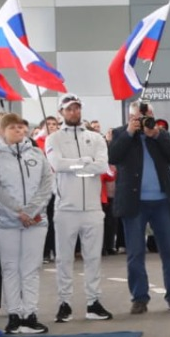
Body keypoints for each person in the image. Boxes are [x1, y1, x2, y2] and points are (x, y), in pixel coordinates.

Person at [110, 102, 170, 313]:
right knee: (135, 253)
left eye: (148, 115)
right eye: (140, 116)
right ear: (130, 117)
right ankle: (139, 298)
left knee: (169, 252)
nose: (145, 119)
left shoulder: (160, 133)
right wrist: (129, 133)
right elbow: (113, 157)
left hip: (162, 202)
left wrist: (157, 135)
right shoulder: (120, 133)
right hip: (134, 202)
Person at [0, 112, 54, 335]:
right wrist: (17, 211)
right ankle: (14, 314)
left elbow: (47, 184)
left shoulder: (36, 153)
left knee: (31, 268)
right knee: (10, 268)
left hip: (36, 221)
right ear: (3, 130)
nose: (18, 131)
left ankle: (30, 314)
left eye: (21, 127)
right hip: (5, 222)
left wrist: (31, 210)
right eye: (13, 127)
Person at [47, 95, 112, 322]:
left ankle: (93, 302)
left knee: (93, 258)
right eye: (69, 109)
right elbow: (57, 165)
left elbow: (102, 166)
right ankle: (64, 303)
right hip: (65, 208)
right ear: (61, 112)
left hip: (93, 208)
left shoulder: (95, 138)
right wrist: (84, 162)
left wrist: (75, 165)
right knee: (64, 259)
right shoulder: (53, 138)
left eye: (76, 108)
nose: (74, 112)